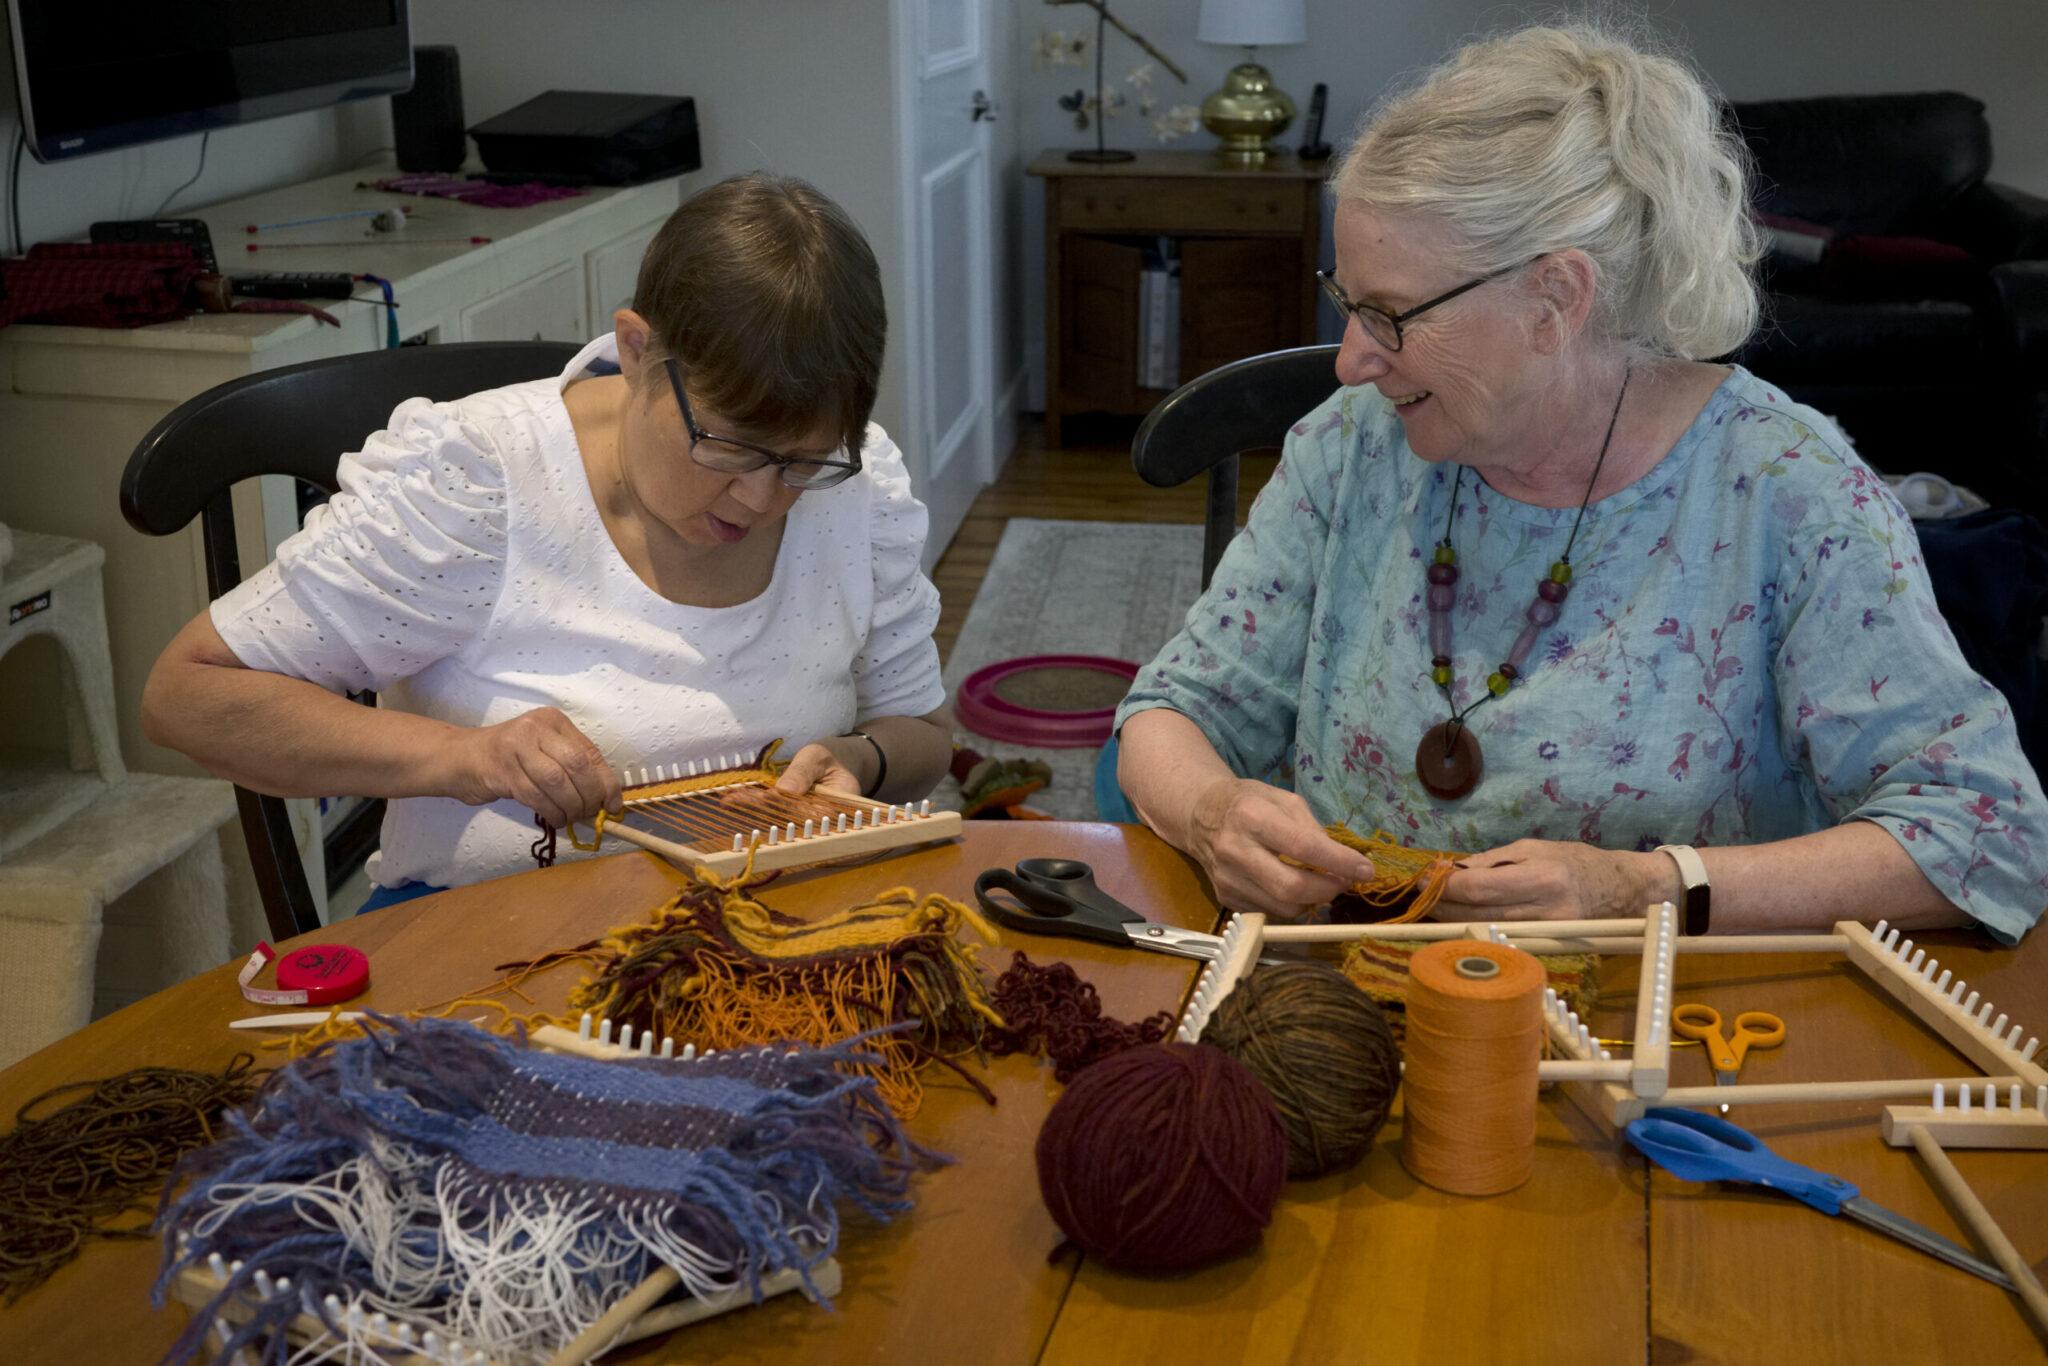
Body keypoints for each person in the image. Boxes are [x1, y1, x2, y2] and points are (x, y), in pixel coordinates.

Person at [1113, 21, 2047, 943]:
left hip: (1652, 1038)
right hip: (1351, 1013)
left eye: (1391, 316)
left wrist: (1648, 889)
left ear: (1558, 298)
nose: (1354, 358)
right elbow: (1171, 712)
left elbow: (1986, 832)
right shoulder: (1354, 446)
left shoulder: (1783, 489)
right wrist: (1210, 811)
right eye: (1347, 301)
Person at [143, 173, 951, 908]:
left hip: (777, 917)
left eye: (804, 462)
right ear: (637, 351)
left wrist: (862, 760)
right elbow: (188, 698)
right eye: (730, 446)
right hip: (492, 943)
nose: (764, 497)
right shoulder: (479, 483)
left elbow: (923, 737)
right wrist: (467, 759)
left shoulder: (862, 488)